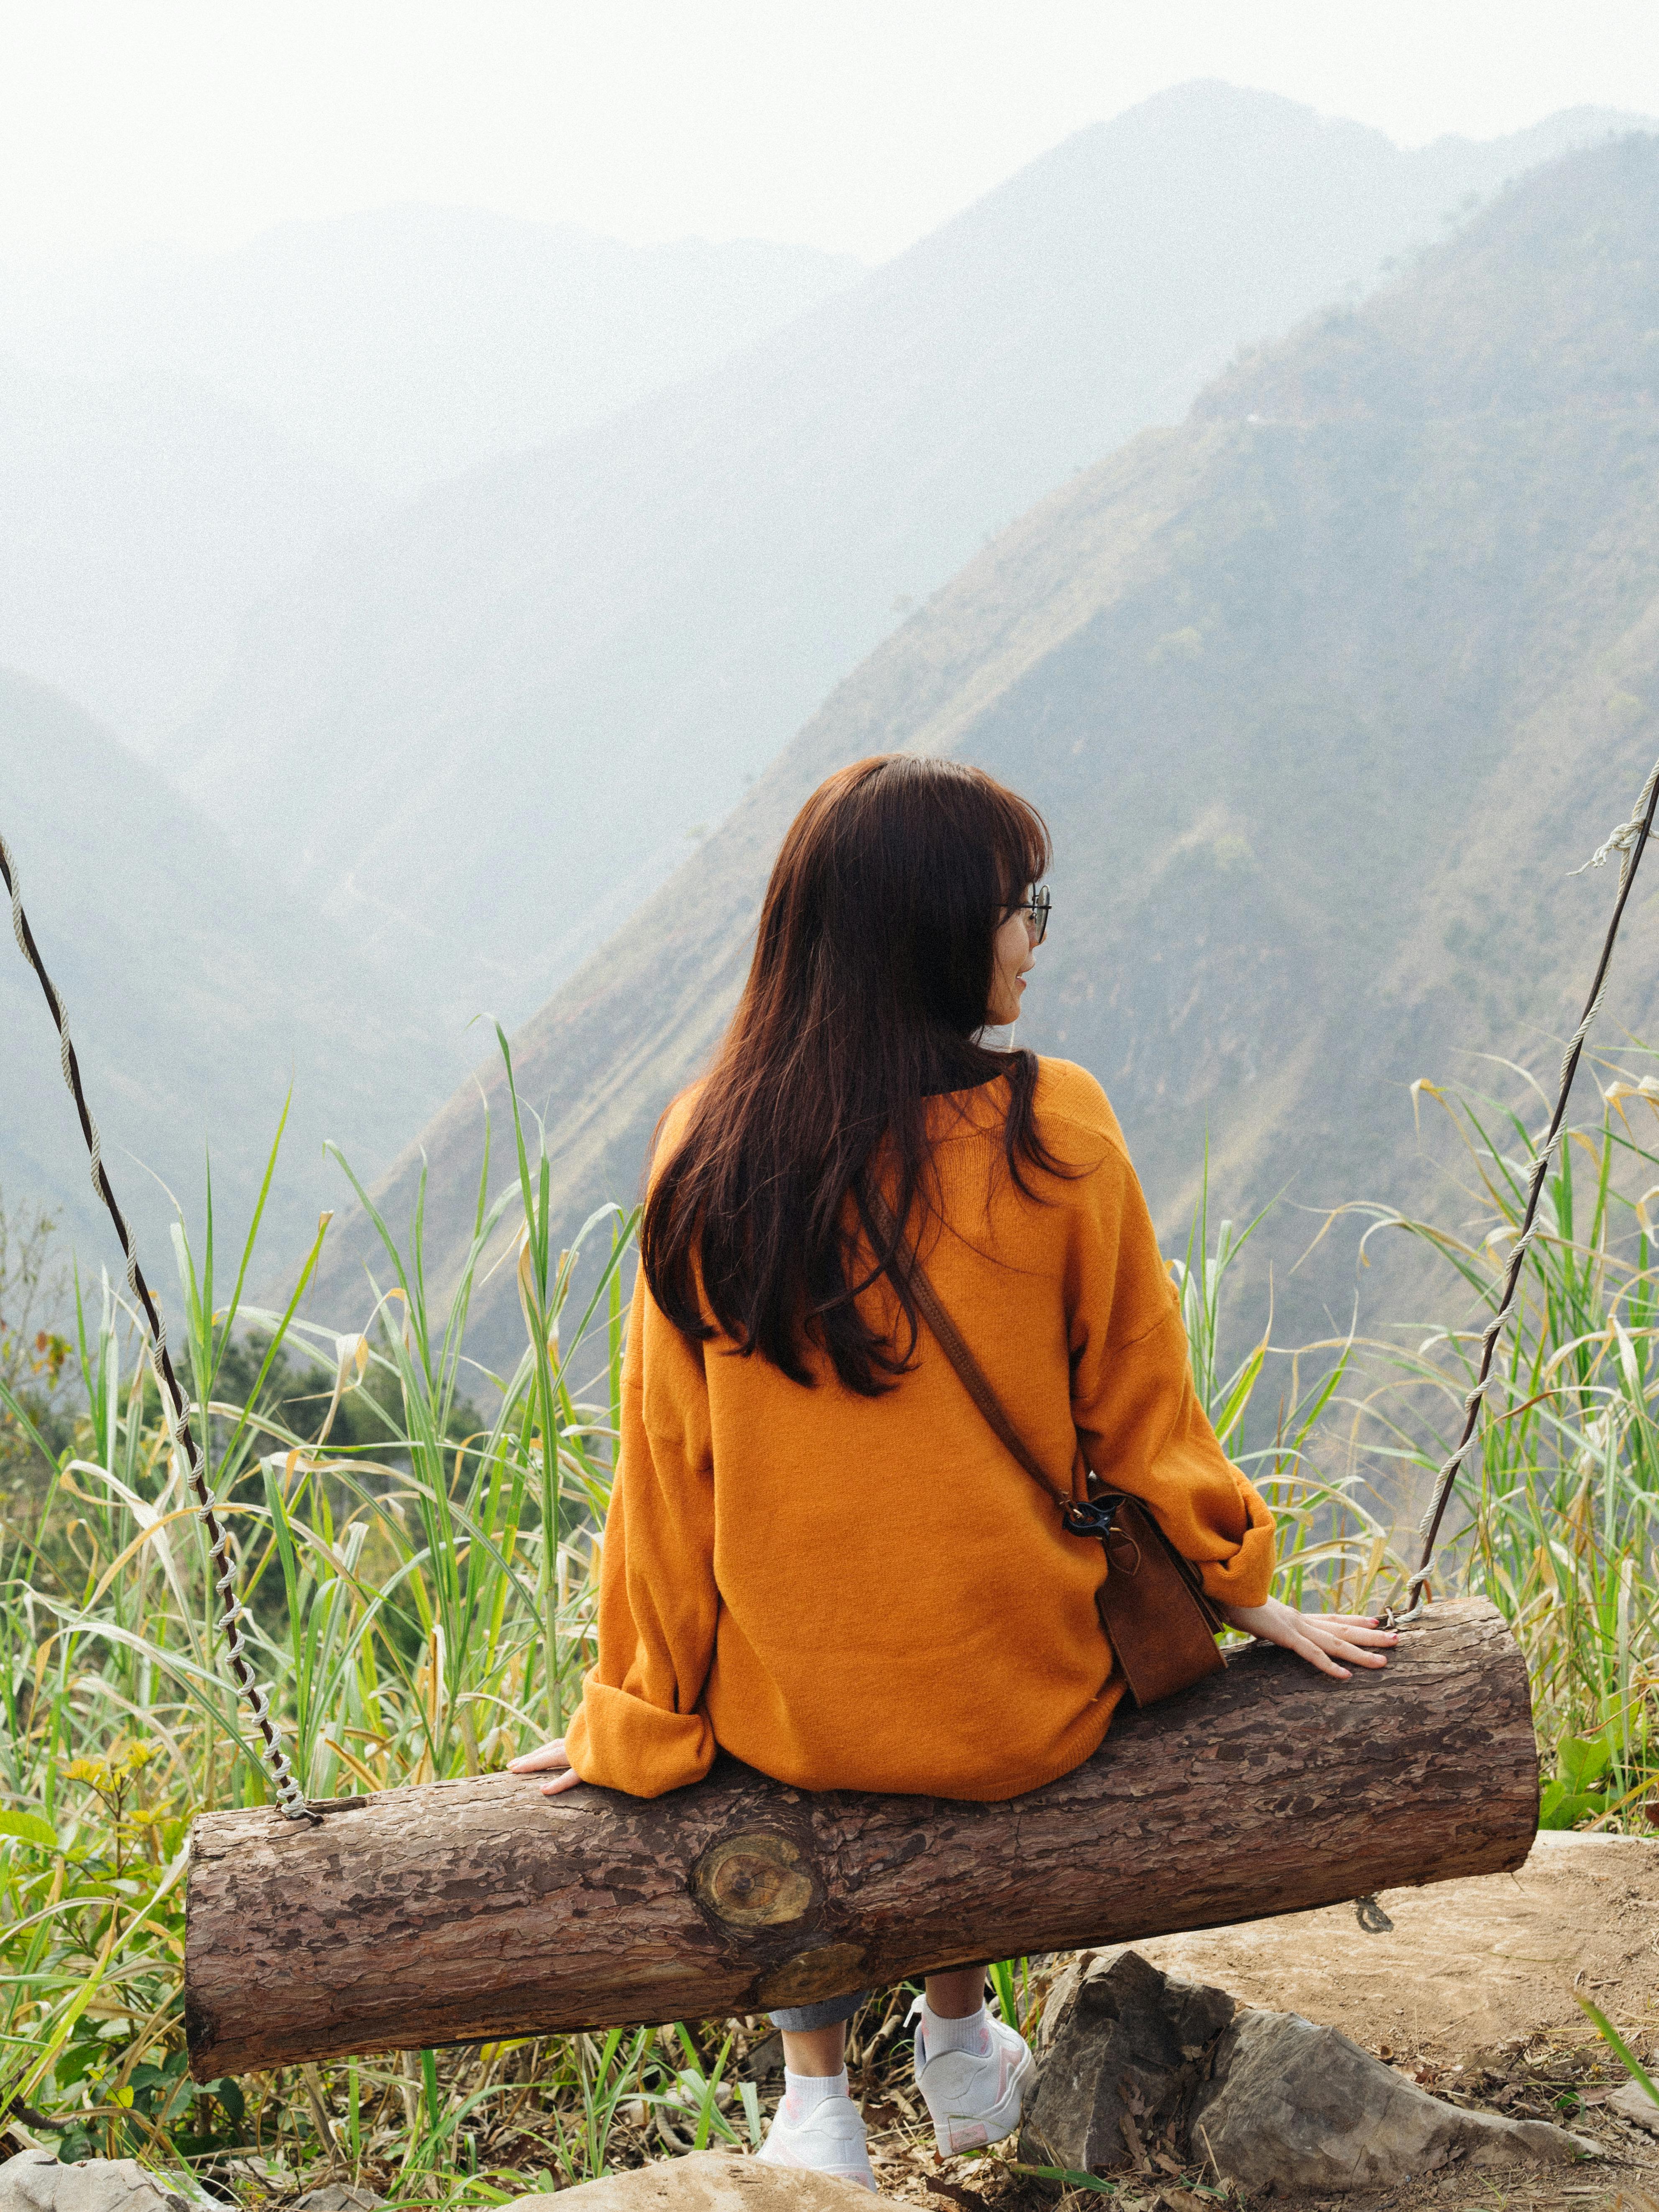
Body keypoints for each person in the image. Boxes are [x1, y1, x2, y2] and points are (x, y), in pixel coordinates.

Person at [511, 754, 1396, 2188]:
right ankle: (964, 2042)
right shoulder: (1058, 1129)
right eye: (1016, 905)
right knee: (961, 1601)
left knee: (790, 1660)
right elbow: (1142, 1424)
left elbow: (670, 1476)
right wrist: (1242, 1589)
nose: (1033, 938)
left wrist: (638, 1709)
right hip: (1016, 1709)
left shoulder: (710, 1147)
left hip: (800, 1717)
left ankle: (817, 2102)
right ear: (932, 930)